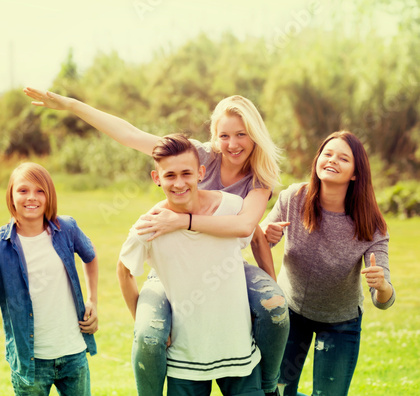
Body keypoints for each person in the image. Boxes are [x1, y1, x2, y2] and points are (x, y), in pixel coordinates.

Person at [24, 87, 289, 396]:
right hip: (172, 265)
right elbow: (130, 135)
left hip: (224, 265)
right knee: (149, 335)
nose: (232, 144)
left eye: (241, 134)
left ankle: (268, 387)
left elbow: (247, 227)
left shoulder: (259, 177)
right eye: (224, 135)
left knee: (276, 309)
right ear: (214, 137)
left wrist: (182, 220)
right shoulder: (200, 155)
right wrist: (71, 105)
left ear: (255, 134)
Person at [117, 134, 264, 395]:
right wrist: (139, 318)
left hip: (238, 350)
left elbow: (254, 235)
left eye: (186, 173)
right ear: (156, 178)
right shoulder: (150, 225)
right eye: (170, 175)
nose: (179, 183)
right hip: (185, 359)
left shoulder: (231, 207)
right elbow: (124, 269)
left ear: (200, 173)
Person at [260, 131, 396, 396]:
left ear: (356, 173)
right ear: (318, 160)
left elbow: (384, 300)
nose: (332, 160)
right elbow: (262, 238)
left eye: (343, 158)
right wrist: (266, 234)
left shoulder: (371, 224)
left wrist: (381, 285)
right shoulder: (294, 198)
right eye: (328, 154)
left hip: (340, 323)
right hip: (290, 313)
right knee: (276, 391)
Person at [0, 162, 99, 396]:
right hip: (30, 363)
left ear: (49, 196)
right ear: (11, 196)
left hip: (73, 354)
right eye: (23, 190)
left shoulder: (66, 228)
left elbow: (90, 256)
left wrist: (92, 300)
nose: (32, 197)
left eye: (40, 191)